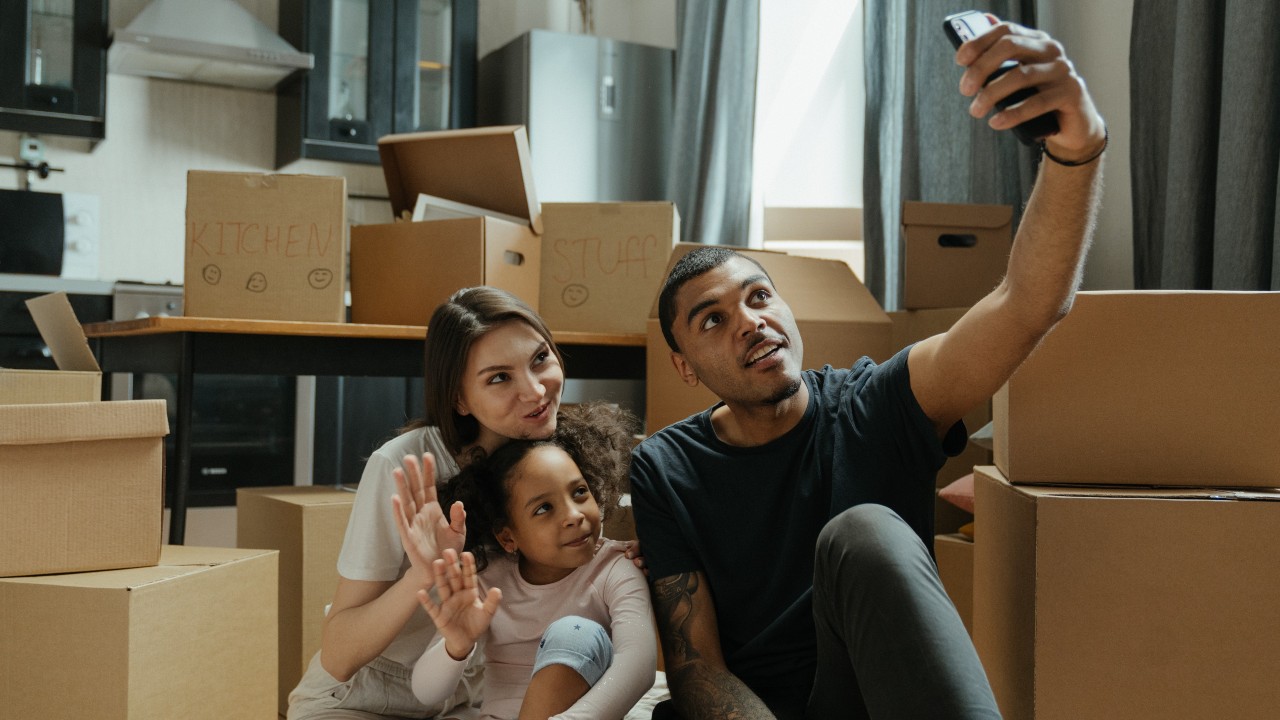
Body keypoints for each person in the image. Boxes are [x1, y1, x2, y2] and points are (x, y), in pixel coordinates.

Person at [629, 17, 1106, 720]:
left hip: (876, 704)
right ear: (685, 367)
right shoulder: (667, 467)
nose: (750, 322)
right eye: (713, 320)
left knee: (866, 531)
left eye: (759, 298)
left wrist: (1078, 147)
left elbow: (1027, 304)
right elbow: (698, 669)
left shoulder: (875, 404)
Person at [288, 287, 644, 720]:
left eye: (540, 359)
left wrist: (630, 555)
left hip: (469, 698)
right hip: (369, 694)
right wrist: (420, 576)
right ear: (458, 398)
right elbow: (339, 655)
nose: (535, 391)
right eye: (499, 378)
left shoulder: (560, 444)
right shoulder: (404, 466)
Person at [407, 403, 656, 720]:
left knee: (576, 632)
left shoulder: (616, 568)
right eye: (543, 509)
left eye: (579, 492)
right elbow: (426, 693)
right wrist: (455, 647)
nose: (573, 516)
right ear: (508, 538)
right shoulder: (488, 581)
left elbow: (639, 663)